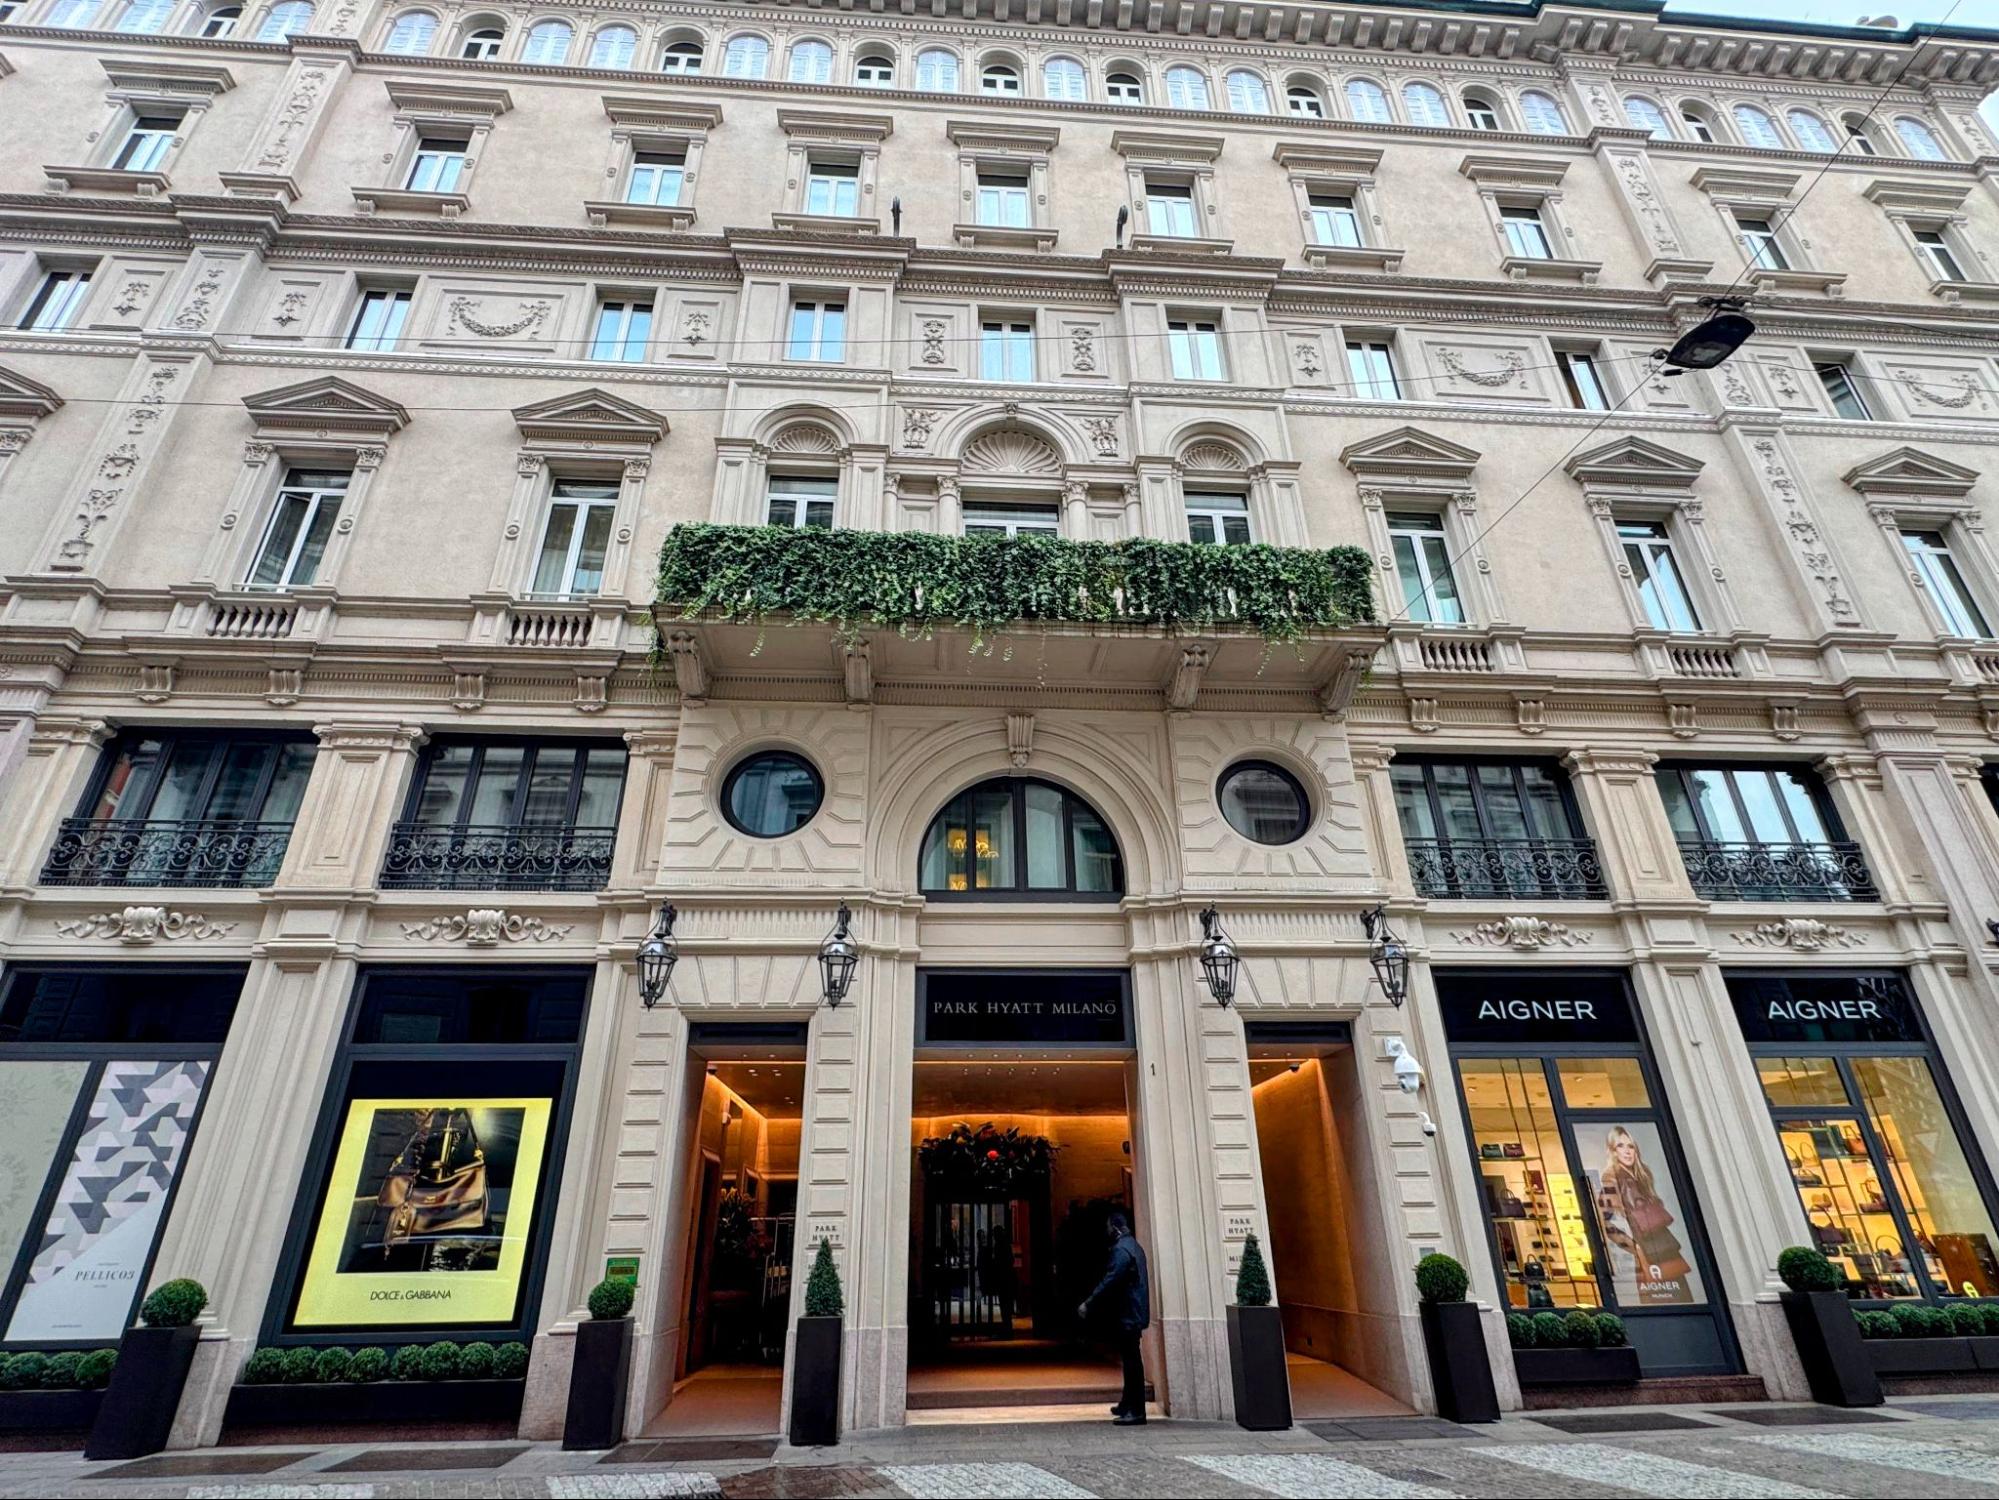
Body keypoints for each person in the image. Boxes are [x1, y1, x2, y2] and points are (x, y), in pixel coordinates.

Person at [1597, 1125, 1691, 1303]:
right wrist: (1635, 1247)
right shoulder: (1612, 1180)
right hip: (1647, 1251)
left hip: (1666, 1247)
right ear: (1613, 1151)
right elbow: (1605, 1224)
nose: (1627, 1151)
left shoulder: (1642, 1176)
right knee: (1659, 1300)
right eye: (1620, 1146)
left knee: (1680, 1296)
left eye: (1630, 1146)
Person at [1077, 1210, 1150, 1425]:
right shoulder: (1134, 1246)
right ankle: (1128, 1403)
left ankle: (1136, 1411)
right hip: (1133, 1311)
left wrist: (1089, 1302)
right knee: (1130, 1360)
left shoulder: (1121, 1250)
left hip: (1129, 1313)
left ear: (1116, 1229)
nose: (1106, 1231)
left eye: (1108, 1227)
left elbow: (1111, 1280)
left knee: (1132, 1362)